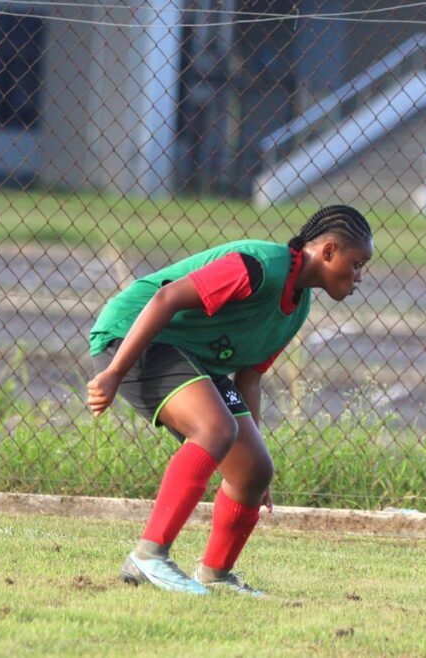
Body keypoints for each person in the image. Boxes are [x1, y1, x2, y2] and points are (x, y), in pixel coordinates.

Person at [87, 205, 373, 596]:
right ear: (328, 251)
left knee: (254, 470)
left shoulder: (297, 306)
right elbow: (166, 299)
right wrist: (115, 372)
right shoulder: (259, 267)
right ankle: (148, 556)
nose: (360, 277)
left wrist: (252, 454)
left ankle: (216, 575)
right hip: (135, 336)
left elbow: (250, 377)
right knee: (214, 429)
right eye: (357, 264)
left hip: (191, 357)